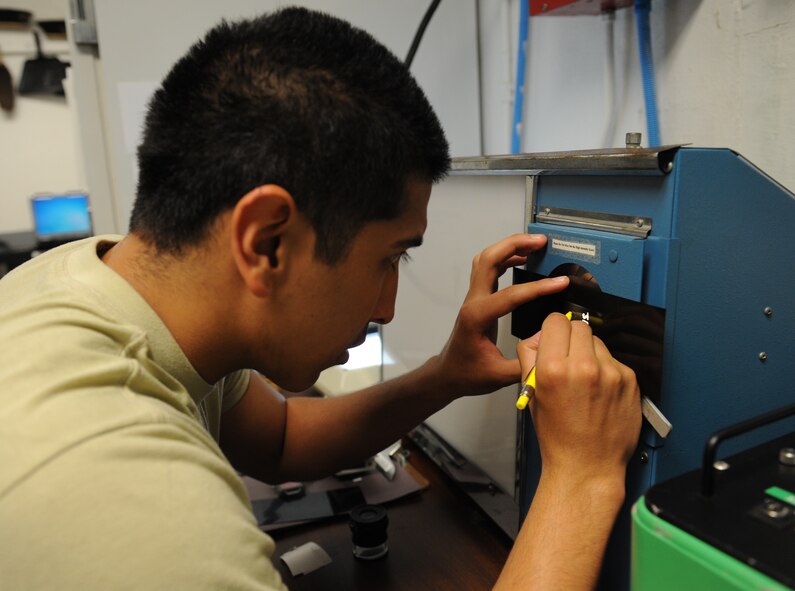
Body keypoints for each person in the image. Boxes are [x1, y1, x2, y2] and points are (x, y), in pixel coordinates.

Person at [0, 7, 640, 590]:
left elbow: (278, 440)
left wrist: (445, 376)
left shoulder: (96, 284)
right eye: (390, 257)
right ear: (267, 242)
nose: (387, 307)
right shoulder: (145, 515)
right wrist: (581, 478)